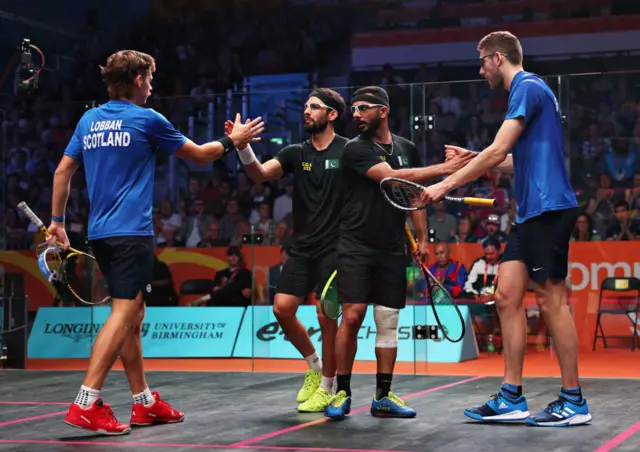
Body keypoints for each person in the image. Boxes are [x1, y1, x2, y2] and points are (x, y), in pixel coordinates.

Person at [47, 50, 263, 435]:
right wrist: (233, 140)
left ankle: (144, 402)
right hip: (131, 233)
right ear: (135, 80)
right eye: (148, 78)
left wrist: (58, 222)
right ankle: (86, 401)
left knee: (134, 315)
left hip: (101, 233)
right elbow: (199, 156)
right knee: (125, 313)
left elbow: (63, 171)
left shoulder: (88, 120)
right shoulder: (146, 119)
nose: (151, 85)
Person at [421, 31, 591, 426]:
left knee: (551, 301)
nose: (481, 71)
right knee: (506, 296)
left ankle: (573, 399)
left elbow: (499, 151)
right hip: (530, 212)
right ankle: (511, 397)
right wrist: (474, 157)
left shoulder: (527, 87)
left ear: (498, 58)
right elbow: (514, 159)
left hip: (548, 209)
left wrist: (446, 184)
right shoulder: (533, 92)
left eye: (482, 62)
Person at [325, 86, 471, 420]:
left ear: (383, 110)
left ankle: (383, 396)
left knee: (387, 321)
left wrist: (421, 238)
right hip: (354, 245)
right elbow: (391, 176)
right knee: (352, 315)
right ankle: (342, 393)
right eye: (354, 109)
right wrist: (445, 169)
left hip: (392, 248)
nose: (356, 115)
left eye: (363, 108)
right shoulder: (354, 150)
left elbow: (416, 195)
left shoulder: (406, 147)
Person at [225, 88, 348, 413]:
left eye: (315, 107)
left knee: (326, 316)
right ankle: (315, 366)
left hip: (335, 248)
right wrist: (243, 147)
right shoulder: (297, 152)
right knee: (282, 308)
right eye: (305, 106)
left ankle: (327, 387)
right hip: (303, 246)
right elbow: (260, 174)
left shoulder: (349, 150)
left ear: (332, 114)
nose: (307, 111)